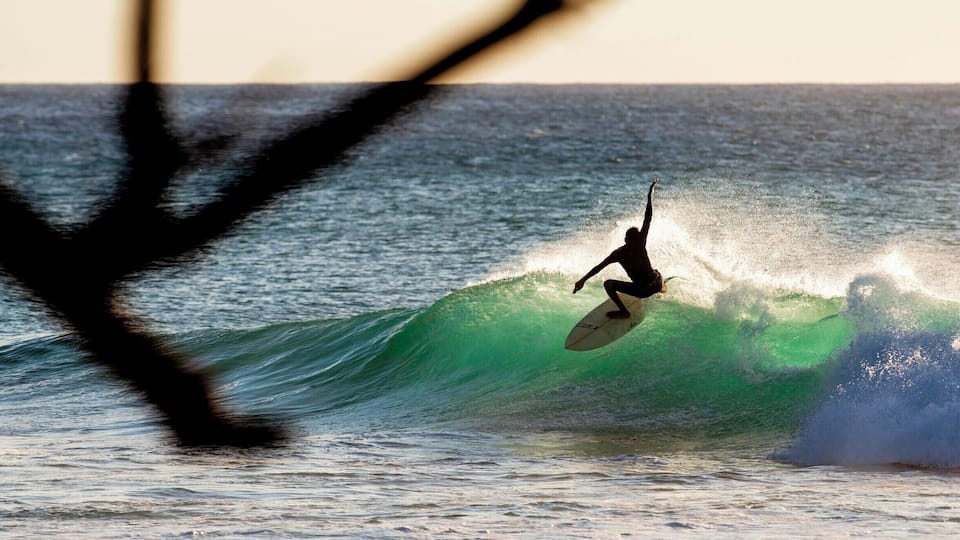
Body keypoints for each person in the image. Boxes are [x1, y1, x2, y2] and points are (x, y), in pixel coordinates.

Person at [572, 178, 665, 319]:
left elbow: (598, 267)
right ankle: (662, 288)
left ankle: (623, 311)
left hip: (641, 290)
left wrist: (583, 280)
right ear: (638, 237)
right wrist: (649, 194)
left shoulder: (619, 253)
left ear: (625, 239)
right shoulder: (640, 243)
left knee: (608, 284)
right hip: (655, 284)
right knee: (657, 272)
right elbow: (648, 217)